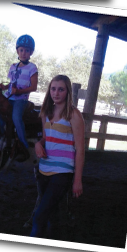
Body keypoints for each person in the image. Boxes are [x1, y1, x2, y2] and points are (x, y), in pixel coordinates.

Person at [31, 74, 85, 238]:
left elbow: (81, 149)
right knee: (52, 215)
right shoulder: (46, 112)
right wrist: (38, 144)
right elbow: (46, 138)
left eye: (61, 89)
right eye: (53, 89)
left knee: (39, 216)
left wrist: (77, 180)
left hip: (62, 173)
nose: (56, 93)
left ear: (67, 91)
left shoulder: (74, 115)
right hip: (44, 170)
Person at [3, 35, 38, 162]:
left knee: (16, 117)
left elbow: (33, 87)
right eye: (21, 50)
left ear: (31, 52)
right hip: (9, 97)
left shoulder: (32, 68)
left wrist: (19, 91)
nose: (24, 53)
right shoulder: (13, 67)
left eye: (27, 50)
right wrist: (4, 87)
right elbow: (12, 83)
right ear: (17, 51)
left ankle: (24, 146)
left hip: (21, 99)